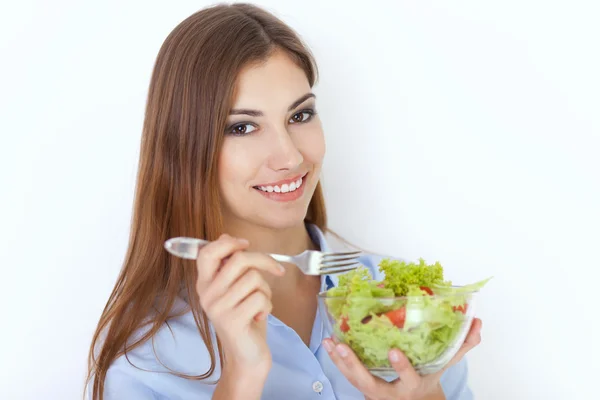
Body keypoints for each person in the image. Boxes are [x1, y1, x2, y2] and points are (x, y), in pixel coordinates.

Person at [86, 3, 482, 400]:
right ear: (186, 148)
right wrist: (241, 376)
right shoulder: (146, 357)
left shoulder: (411, 308)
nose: (290, 157)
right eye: (242, 127)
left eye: (300, 115)